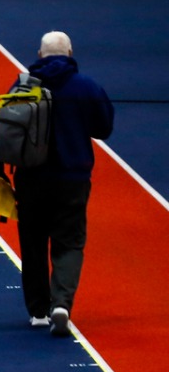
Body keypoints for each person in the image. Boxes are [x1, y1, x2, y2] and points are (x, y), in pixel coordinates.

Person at [12, 31, 114, 339]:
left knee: (32, 243)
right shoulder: (86, 86)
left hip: (30, 178)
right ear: (70, 53)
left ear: (39, 55)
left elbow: (8, 129)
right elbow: (103, 129)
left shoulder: (23, 85)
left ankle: (38, 312)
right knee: (69, 242)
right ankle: (62, 304)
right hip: (72, 177)